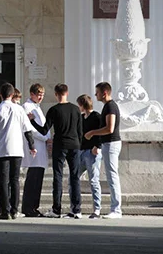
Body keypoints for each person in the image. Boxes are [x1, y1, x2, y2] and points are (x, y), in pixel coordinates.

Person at [29, 83, 83, 219]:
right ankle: (76, 209)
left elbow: (44, 130)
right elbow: (80, 131)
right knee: (75, 176)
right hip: (74, 144)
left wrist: (32, 121)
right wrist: (79, 144)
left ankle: (56, 209)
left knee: (58, 177)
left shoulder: (54, 110)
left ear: (56, 94)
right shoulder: (76, 109)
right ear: (67, 93)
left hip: (60, 144)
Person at [0, 83, 36, 220]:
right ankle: (14, 209)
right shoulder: (19, 110)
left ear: (0, 95)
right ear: (12, 95)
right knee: (15, 180)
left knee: (3, 180)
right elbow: (27, 129)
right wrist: (32, 146)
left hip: (2, 149)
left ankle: (4, 210)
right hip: (17, 149)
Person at [85, 82, 123, 219]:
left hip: (112, 143)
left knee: (112, 176)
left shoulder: (111, 106)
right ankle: (115, 208)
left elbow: (110, 128)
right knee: (111, 175)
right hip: (108, 143)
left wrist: (92, 133)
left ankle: (116, 209)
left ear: (104, 93)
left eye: (97, 92)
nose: (95, 95)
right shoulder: (107, 106)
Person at [21, 84, 50, 218]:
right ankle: (28, 207)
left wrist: (47, 137)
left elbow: (44, 126)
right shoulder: (27, 107)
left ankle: (34, 206)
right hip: (35, 146)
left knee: (38, 179)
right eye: (38, 94)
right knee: (33, 179)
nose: (41, 97)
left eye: (42, 95)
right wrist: (45, 137)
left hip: (41, 146)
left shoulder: (38, 108)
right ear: (32, 94)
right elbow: (30, 128)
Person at [76, 94, 104, 219]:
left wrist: (97, 146)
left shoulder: (96, 116)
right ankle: (76, 208)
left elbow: (101, 132)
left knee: (93, 180)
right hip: (81, 151)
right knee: (74, 178)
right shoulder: (81, 117)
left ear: (83, 104)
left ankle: (97, 209)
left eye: (79, 105)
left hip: (92, 152)